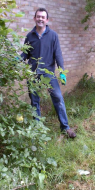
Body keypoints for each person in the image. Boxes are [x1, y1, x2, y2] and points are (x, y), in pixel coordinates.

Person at [21, 8, 76, 138]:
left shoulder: (53, 35)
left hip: (48, 74)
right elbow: (25, 53)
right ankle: (37, 128)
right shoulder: (30, 36)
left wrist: (61, 70)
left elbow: (58, 54)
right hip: (33, 74)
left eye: (43, 17)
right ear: (34, 18)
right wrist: (18, 58)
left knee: (58, 98)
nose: (40, 19)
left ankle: (65, 127)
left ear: (47, 20)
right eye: (38, 17)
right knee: (34, 101)